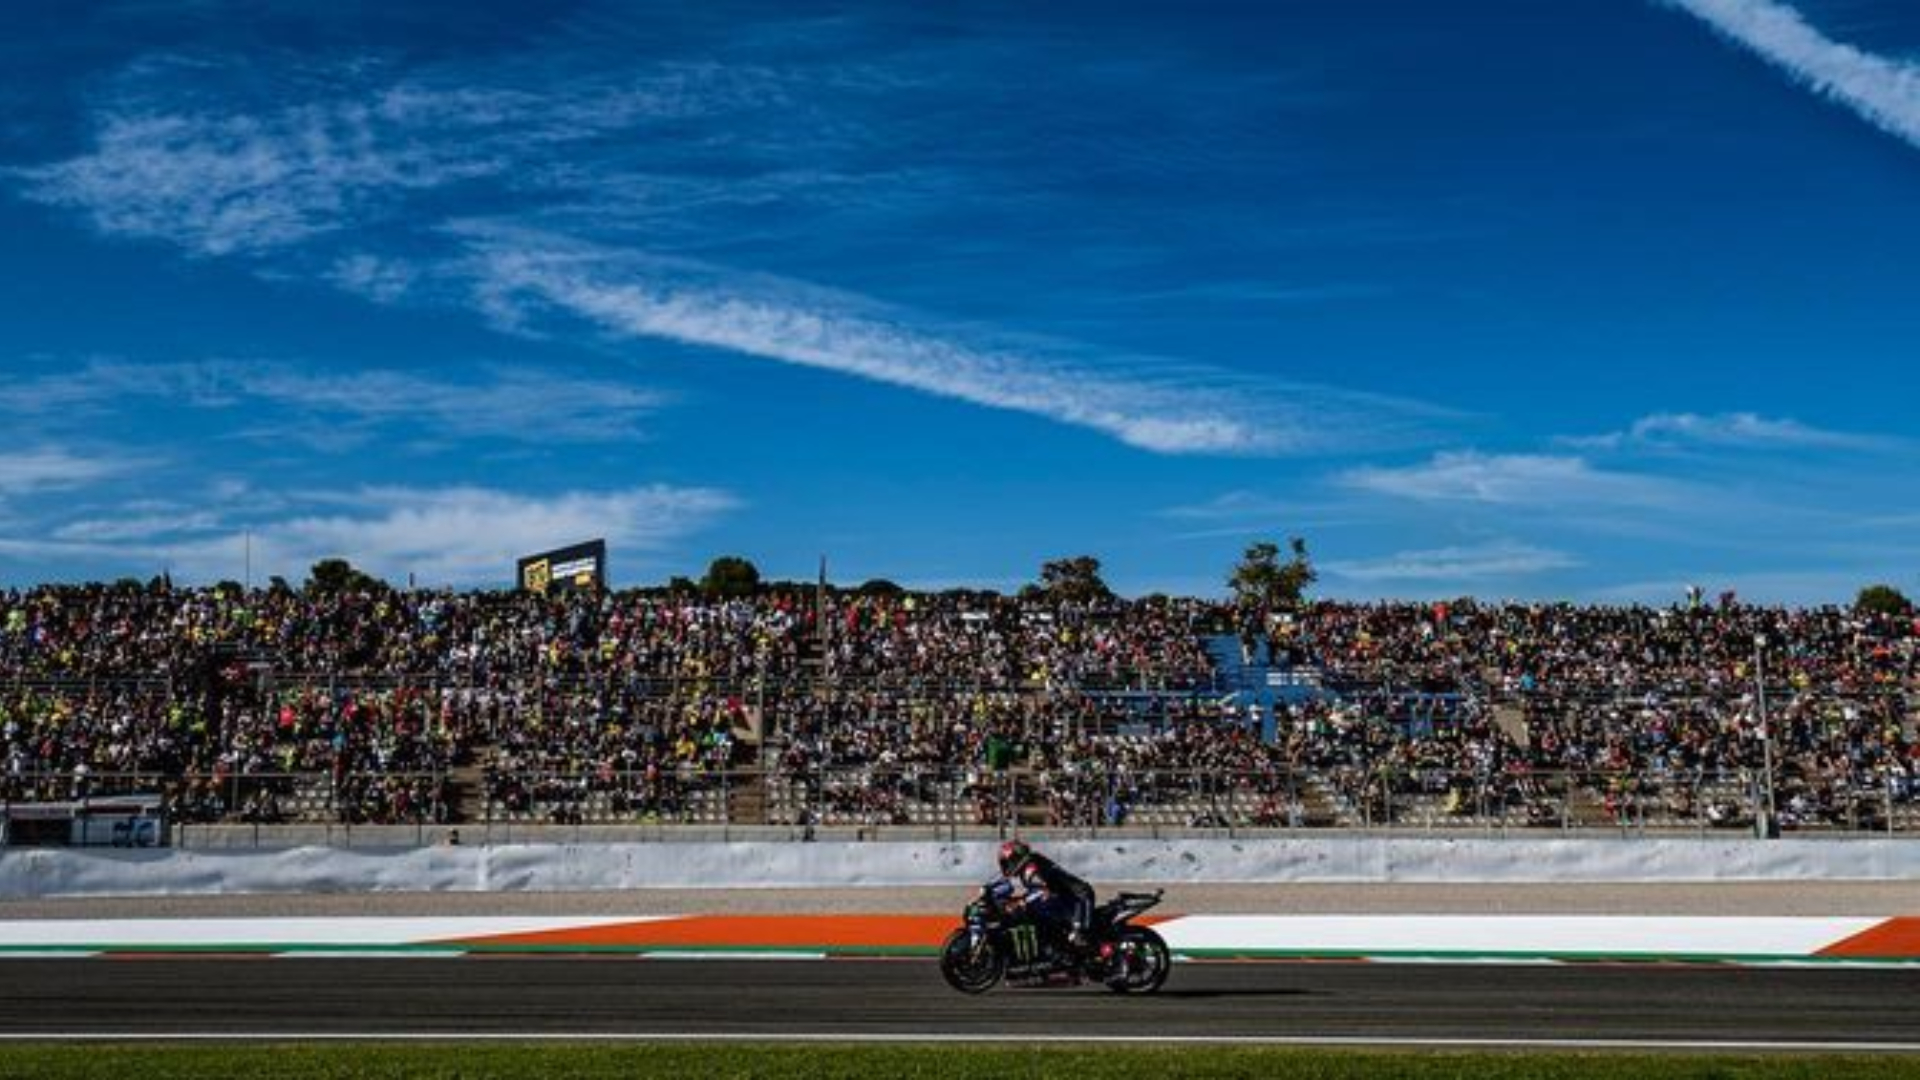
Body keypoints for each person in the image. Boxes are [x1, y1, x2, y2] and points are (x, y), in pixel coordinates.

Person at [997, 839, 1095, 951]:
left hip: (1079, 897)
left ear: (1015, 859)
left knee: (1077, 937)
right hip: (1065, 897)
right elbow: (1037, 890)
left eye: (1007, 863)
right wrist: (1014, 900)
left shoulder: (1031, 868)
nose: (1006, 867)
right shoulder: (1029, 867)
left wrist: (1021, 902)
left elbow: (1044, 891)